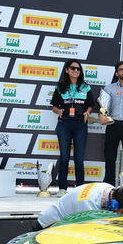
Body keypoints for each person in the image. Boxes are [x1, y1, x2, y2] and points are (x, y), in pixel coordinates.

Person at [51, 59, 96, 196]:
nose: (76, 70)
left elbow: (90, 105)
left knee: (79, 158)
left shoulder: (86, 87)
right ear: (66, 70)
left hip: (80, 124)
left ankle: (80, 189)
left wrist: (88, 112)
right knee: (64, 157)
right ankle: (62, 188)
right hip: (64, 124)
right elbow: (54, 106)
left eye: (78, 68)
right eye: (73, 68)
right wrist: (58, 111)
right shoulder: (60, 87)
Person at [36, 183, 123, 229]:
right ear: (114, 205)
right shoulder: (88, 205)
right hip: (48, 225)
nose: (121, 218)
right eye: (122, 214)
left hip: (66, 225)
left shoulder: (109, 189)